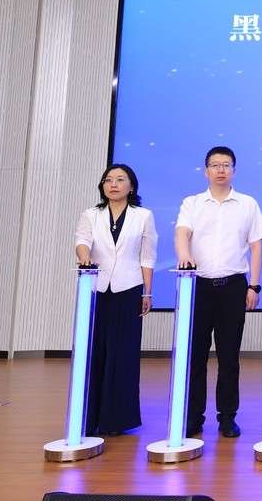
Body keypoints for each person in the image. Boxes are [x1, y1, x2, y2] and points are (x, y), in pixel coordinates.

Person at [176, 146, 262, 439]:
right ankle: (193, 417)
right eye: (215, 165)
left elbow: (256, 247)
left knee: (229, 357)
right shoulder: (192, 203)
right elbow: (182, 233)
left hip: (233, 287)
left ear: (234, 171)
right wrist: (184, 256)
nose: (220, 170)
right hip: (198, 287)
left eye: (226, 165)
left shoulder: (247, 204)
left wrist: (254, 285)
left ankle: (227, 417)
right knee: (195, 356)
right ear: (206, 171)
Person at [74, 163, 158, 437]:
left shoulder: (143, 216)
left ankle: (116, 420)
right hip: (96, 289)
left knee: (123, 355)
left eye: (120, 179)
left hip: (129, 288)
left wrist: (147, 292)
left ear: (131, 186)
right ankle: (89, 418)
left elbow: (147, 256)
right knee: (94, 352)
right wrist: (85, 257)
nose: (113, 184)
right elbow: (82, 241)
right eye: (108, 180)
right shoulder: (90, 214)